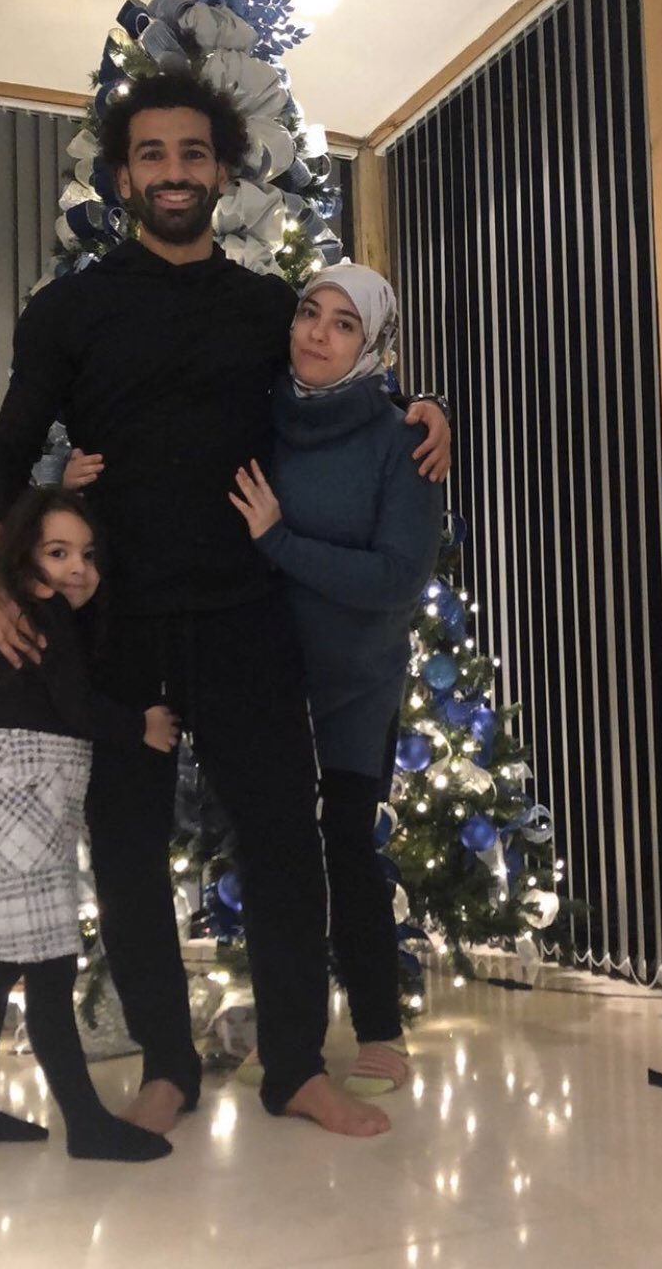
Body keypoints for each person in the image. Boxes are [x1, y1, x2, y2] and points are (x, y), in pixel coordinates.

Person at [0, 72, 449, 1138]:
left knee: (283, 844)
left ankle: (295, 1069)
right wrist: (0, 580)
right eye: (152, 153)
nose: (174, 171)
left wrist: (425, 406)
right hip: (119, 624)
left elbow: (343, 382)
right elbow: (6, 455)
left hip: (246, 614)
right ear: (122, 175)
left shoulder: (269, 308)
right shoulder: (68, 311)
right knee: (127, 851)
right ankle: (168, 1068)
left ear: (223, 170)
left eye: (193, 152)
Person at [228, 264, 443, 1095]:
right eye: (309, 313)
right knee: (277, 854)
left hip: (355, 681)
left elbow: (396, 578)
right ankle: (291, 1026)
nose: (317, 333)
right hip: (269, 672)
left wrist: (279, 541)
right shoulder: (262, 416)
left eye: (343, 323)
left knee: (348, 849)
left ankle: (380, 1029)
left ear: (373, 343)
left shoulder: (402, 439)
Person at [0, 486, 180, 1162]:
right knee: (48, 967)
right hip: (27, 804)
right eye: (58, 552)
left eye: (86, 554)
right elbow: (75, 705)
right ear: (24, 556)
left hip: (12, 801)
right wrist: (141, 726)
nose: (77, 567)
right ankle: (86, 1124)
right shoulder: (42, 615)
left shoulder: (29, 612)